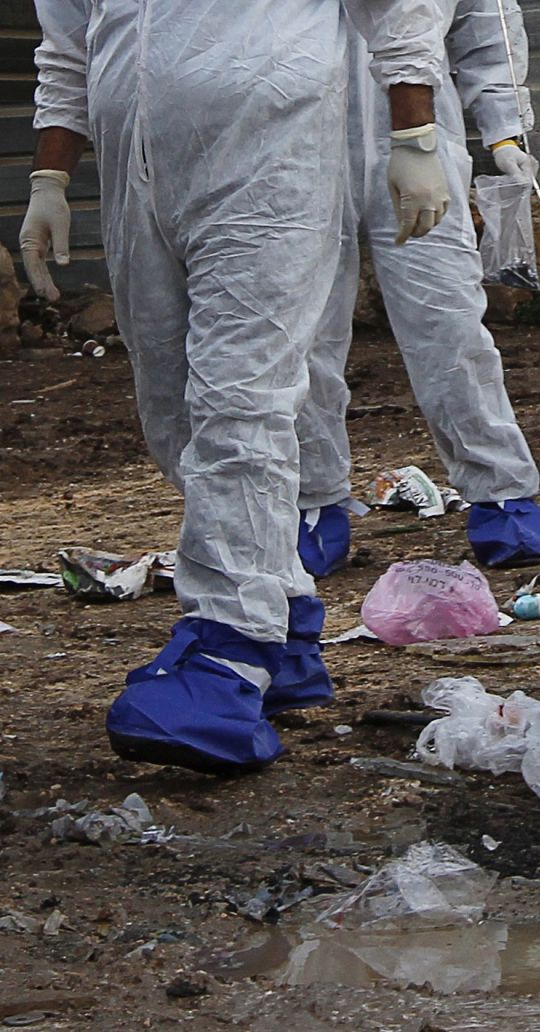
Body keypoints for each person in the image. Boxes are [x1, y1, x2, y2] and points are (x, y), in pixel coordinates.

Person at [21, 0, 451, 775]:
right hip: (140, 173)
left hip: (272, 153)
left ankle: (229, 651)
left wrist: (414, 130)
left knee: (239, 400)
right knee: (173, 409)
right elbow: (70, 49)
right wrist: (52, 175)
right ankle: (282, 624)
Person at [296, 0, 540, 583]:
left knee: (449, 322)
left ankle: (503, 495)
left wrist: (505, 126)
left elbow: (485, 16)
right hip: (294, 143)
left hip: (418, 140)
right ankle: (310, 505)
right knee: (302, 333)